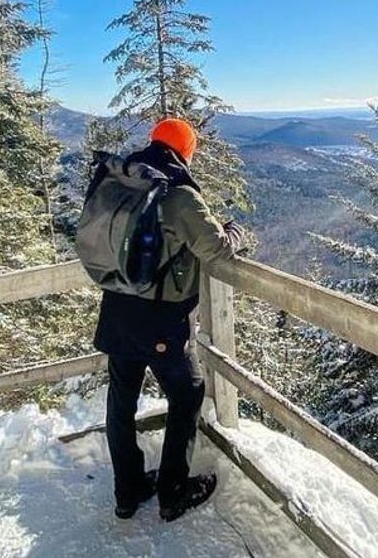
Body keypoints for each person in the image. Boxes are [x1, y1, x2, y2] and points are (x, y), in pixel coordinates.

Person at [91, 118, 248, 522]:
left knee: (121, 403)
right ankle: (173, 492)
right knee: (188, 393)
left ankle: (128, 492)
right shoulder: (176, 194)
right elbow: (215, 250)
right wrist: (236, 235)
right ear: (185, 150)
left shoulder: (123, 180)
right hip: (159, 319)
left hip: (116, 309)